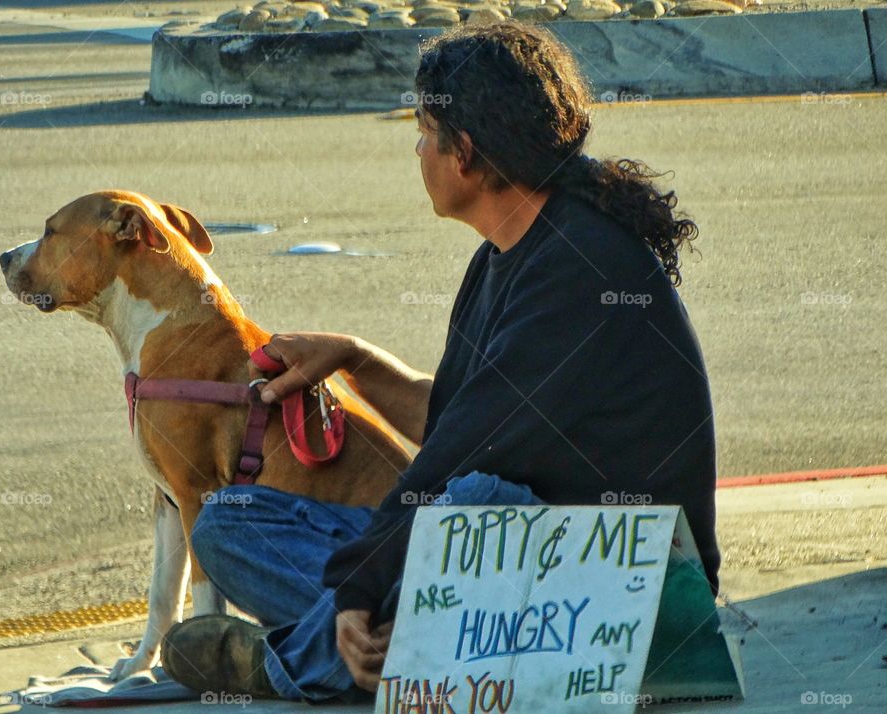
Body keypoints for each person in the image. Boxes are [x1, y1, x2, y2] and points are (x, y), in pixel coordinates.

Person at [160, 20, 719, 702]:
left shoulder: (582, 271)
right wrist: (354, 361)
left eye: (425, 132)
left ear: (466, 155)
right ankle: (388, 636)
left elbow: (459, 457)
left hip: (624, 596)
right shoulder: (503, 256)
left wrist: (361, 583)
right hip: (513, 557)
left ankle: (293, 663)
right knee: (230, 520)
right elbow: (459, 416)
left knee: (472, 500)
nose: (417, 150)